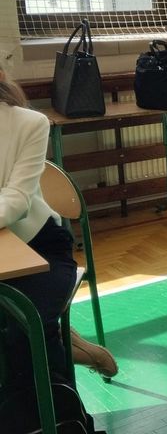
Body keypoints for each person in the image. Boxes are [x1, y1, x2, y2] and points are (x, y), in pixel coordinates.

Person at [0, 69, 117, 386]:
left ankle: (60, 401)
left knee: (25, 336)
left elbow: (16, 200)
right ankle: (64, 342)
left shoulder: (29, 123)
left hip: (41, 249)